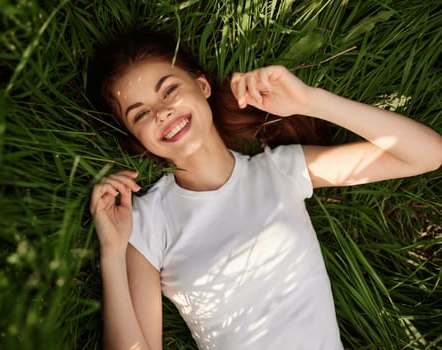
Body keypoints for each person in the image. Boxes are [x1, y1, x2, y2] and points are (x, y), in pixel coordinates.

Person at [89, 31, 442, 350]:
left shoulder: (279, 171)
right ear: (136, 139)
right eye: (140, 115)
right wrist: (112, 252)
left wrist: (309, 102)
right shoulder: (148, 221)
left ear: (203, 87)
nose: (163, 112)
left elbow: (426, 154)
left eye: (169, 90)